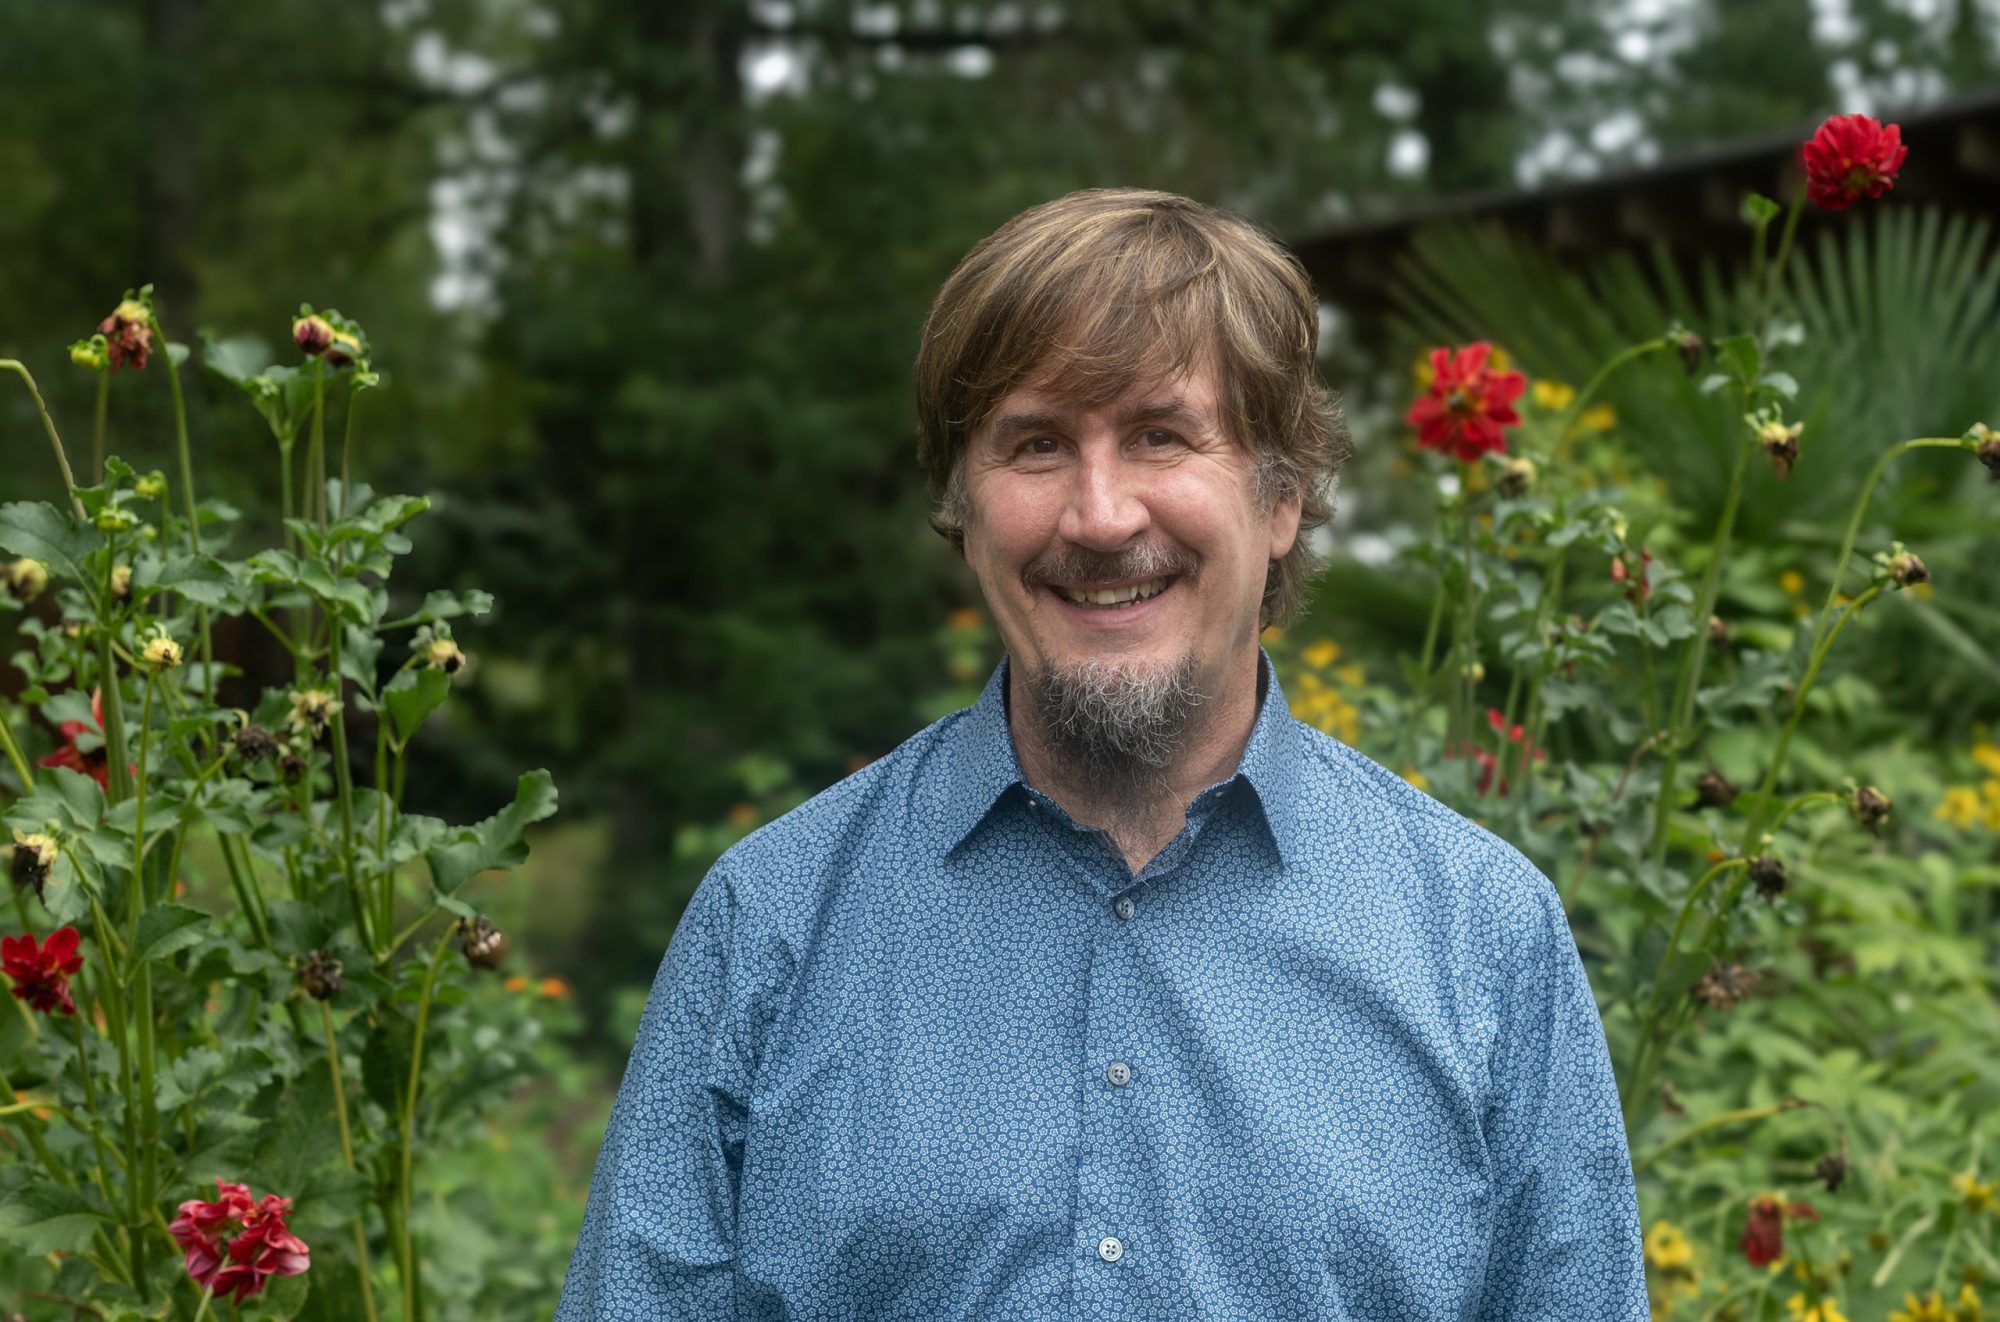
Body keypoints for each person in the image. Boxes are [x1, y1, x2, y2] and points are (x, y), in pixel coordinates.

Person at [553, 187, 1648, 1319]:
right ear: (964, 508)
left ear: (1280, 499)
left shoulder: (1481, 939)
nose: (1098, 513)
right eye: (1033, 443)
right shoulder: (771, 926)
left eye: (1159, 434)